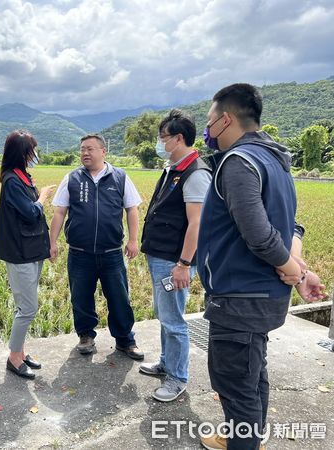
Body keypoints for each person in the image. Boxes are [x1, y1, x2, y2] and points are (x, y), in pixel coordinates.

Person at [196, 84, 327, 450]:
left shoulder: (239, 162)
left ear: (225, 120)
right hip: (262, 295)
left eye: (209, 123)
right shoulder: (275, 159)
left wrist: (293, 268)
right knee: (252, 375)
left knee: (235, 383)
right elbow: (291, 226)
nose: (206, 132)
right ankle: (246, 437)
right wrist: (297, 269)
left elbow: (258, 233)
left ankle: (244, 443)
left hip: (241, 297)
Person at [49, 133, 144, 359]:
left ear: (103, 152)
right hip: (80, 254)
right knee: (81, 297)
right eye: (82, 149)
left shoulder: (120, 177)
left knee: (119, 298)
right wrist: (51, 242)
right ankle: (86, 336)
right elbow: (60, 211)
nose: (85, 153)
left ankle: (125, 340)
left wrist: (133, 240)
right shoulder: (72, 178)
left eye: (90, 149)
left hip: (111, 253)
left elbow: (132, 209)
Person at [138, 109, 211, 402]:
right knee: (165, 316)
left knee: (174, 321)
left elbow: (197, 224)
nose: (160, 143)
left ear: (179, 138)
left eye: (163, 137)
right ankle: (167, 364)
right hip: (161, 256)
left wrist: (183, 264)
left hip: (173, 261)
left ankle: (178, 378)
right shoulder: (174, 169)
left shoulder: (195, 173)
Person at [0, 130, 56, 380]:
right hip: (20, 254)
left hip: (32, 251)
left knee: (25, 306)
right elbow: (31, 213)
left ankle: (21, 352)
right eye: (32, 151)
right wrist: (42, 197)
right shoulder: (12, 180)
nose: (35, 155)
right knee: (28, 308)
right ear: (23, 154)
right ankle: (13, 358)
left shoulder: (22, 177)